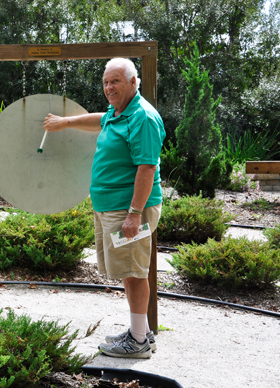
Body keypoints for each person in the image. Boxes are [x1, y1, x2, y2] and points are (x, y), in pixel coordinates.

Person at [43, 57, 165, 359]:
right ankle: (141, 332)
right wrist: (67, 122)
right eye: (106, 82)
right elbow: (101, 119)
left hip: (129, 210)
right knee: (127, 270)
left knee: (134, 273)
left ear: (133, 82)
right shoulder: (119, 112)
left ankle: (137, 342)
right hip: (112, 207)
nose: (109, 87)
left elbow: (147, 168)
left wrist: (134, 214)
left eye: (116, 81)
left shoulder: (143, 118)